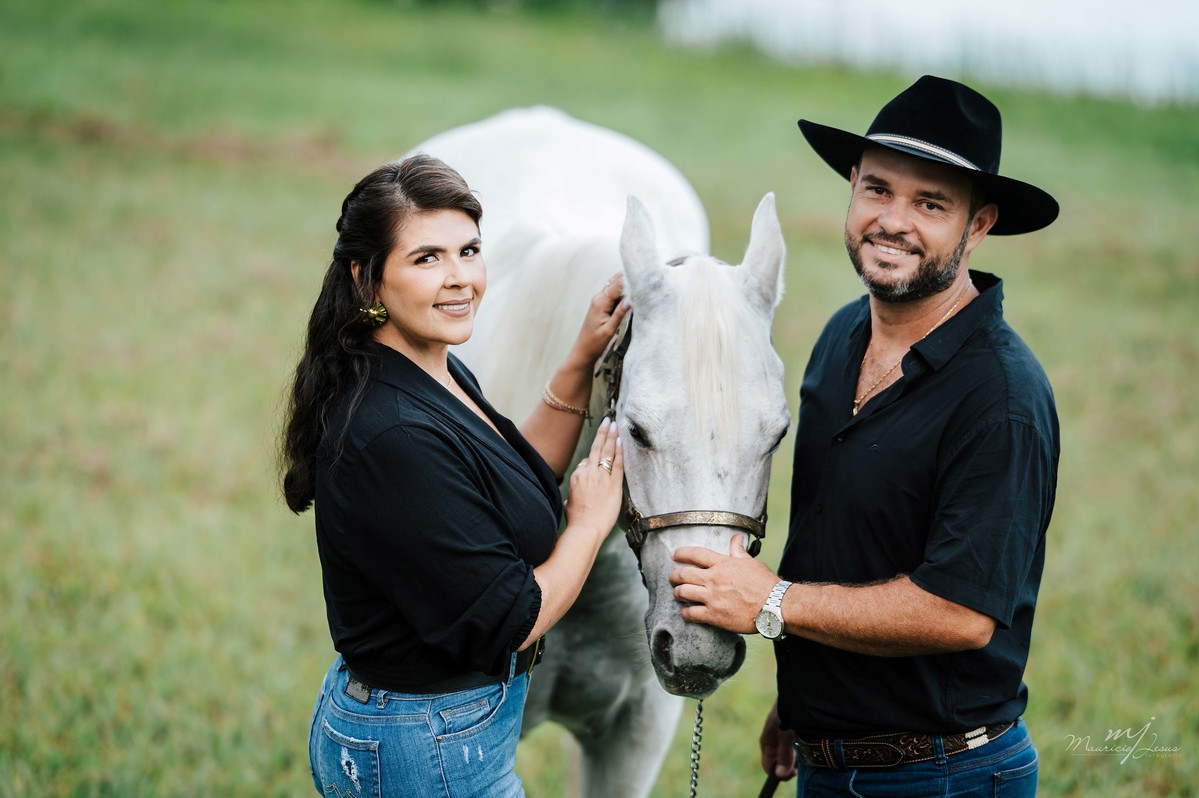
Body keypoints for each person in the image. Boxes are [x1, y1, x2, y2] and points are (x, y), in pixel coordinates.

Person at [669, 75, 1061, 796]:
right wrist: (806, 705)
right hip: (828, 759)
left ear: (978, 225)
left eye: (931, 204)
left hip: (945, 776)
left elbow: (961, 612)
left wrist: (772, 602)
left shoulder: (1001, 398)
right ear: (851, 188)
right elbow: (841, 542)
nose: (893, 221)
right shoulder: (842, 335)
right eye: (878, 189)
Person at [279, 154, 630, 797]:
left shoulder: (427, 365)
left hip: (433, 734)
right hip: (425, 747)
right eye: (427, 258)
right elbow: (513, 619)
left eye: (468, 251)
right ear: (366, 278)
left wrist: (581, 358)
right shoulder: (394, 434)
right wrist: (588, 524)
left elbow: (506, 480)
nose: (460, 278)